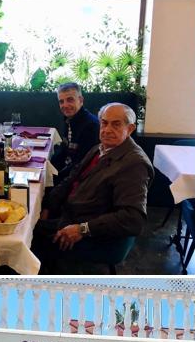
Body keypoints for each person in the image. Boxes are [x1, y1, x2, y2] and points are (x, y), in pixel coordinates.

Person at [32, 102, 153, 273]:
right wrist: (49, 206)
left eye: (116, 124)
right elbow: (71, 179)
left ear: (131, 128)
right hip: (70, 213)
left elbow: (133, 219)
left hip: (92, 233)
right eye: (104, 123)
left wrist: (83, 229)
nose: (107, 129)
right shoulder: (101, 148)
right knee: (27, 215)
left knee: (27, 235)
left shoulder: (134, 164)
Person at [50, 82, 99, 183]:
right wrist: (46, 167)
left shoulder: (91, 126)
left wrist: (55, 179)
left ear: (80, 100)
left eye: (70, 100)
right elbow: (64, 151)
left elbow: (81, 166)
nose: (65, 105)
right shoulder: (69, 120)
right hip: (67, 172)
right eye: (61, 101)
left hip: (79, 181)